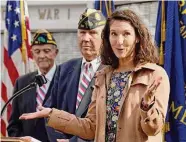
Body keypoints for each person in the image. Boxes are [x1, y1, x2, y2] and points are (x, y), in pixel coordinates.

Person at [20, 9, 170, 142]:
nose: (119, 41)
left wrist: (146, 107)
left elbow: (153, 130)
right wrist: (53, 114)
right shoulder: (103, 75)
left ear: (137, 37)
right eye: (113, 34)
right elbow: (91, 127)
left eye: (126, 34)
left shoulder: (154, 75)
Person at [43, 8, 106, 142]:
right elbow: (49, 111)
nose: (85, 38)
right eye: (82, 32)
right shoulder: (64, 69)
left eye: (92, 33)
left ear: (104, 37)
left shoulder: (112, 71)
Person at [7, 29, 59, 142]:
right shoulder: (22, 83)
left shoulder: (66, 79)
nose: (42, 56)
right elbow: (14, 124)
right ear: (32, 54)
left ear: (56, 52)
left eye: (46, 51)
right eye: (37, 51)